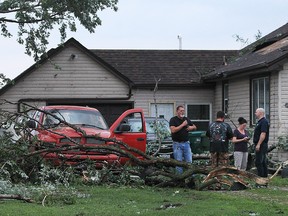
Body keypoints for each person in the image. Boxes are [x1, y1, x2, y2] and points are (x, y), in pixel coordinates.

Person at [169, 105, 197, 174]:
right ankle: (180, 180)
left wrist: (191, 128)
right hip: (177, 144)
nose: (182, 112)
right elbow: (173, 130)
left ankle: (191, 179)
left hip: (186, 143)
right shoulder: (173, 120)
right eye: (181, 110)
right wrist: (182, 125)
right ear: (177, 111)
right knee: (179, 163)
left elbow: (195, 127)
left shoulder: (186, 119)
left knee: (189, 162)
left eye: (183, 111)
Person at [253, 108, 269, 177]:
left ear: (260, 113)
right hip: (259, 144)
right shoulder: (259, 122)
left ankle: (261, 179)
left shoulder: (264, 122)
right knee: (262, 162)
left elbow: (263, 134)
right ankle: (264, 179)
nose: (255, 113)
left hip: (261, 144)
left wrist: (258, 144)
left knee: (259, 162)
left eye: (256, 112)